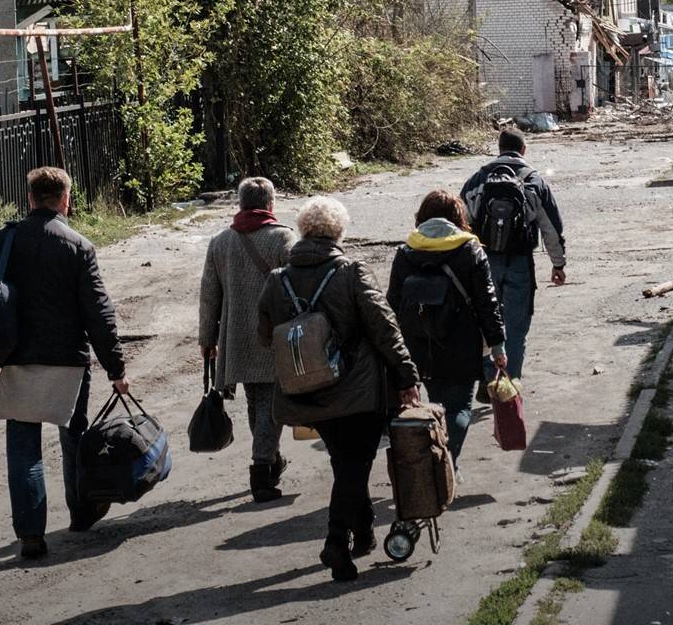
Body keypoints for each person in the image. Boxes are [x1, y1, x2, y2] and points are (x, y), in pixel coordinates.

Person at [256, 197, 421, 582]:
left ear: (302, 231)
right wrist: (407, 376)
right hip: (357, 391)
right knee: (354, 466)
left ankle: (361, 532)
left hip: (306, 390)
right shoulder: (351, 272)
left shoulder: (277, 280)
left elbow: (265, 336)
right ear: (338, 232)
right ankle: (335, 542)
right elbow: (385, 329)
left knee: (346, 463)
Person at [0, 166, 128, 562]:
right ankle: (81, 513)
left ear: (29, 198)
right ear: (65, 200)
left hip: (18, 360)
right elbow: (99, 313)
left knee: (24, 449)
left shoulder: (4, 241)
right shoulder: (79, 246)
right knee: (75, 440)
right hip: (68, 362)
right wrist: (115, 368)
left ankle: (30, 534)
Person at [386, 189, 506, 464]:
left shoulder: (406, 252)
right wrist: (498, 345)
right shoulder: (470, 250)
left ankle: (438, 466)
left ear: (422, 216)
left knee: (434, 402)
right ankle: (446, 464)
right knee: (459, 409)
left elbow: (392, 304)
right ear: (458, 217)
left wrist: (392, 353)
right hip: (460, 343)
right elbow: (487, 303)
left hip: (417, 344)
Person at [198, 176, 297, 502]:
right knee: (269, 403)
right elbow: (297, 286)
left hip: (237, 337)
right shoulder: (283, 238)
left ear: (240, 204)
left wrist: (207, 338)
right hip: (273, 336)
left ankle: (270, 459)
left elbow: (209, 296)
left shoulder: (220, 242)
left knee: (258, 402)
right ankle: (261, 471)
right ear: (270, 204)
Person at [460, 129, 566, 386]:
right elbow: (551, 228)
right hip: (520, 262)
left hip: (484, 262)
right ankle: (509, 386)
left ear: (499, 148)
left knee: (487, 321)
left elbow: (461, 223)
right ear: (523, 149)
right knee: (516, 328)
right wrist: (558, 264)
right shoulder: (534, 181)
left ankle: (489, 380)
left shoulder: (478, 179)